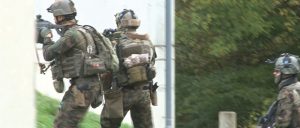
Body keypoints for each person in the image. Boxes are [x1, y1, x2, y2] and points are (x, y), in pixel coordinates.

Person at [38, 0, 104, 127]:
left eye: (55, 16)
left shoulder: (71, 35)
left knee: (62, 124)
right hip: (88, 85)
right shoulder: (83, 31)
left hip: (83, 88)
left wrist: (47, 37)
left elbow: (48, 55)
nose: (54, 19)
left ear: (61, 16)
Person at [100, 9, 157, 128]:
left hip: (123, 93)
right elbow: (151, 64)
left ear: (121, 23)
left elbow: (108, 70)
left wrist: (104, 91)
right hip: (144, 93)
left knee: (108, 124)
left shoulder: (116, 43)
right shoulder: (147, 42)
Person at [273, 53, 300, 127]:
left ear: (285, 72)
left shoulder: (287, 92)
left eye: (277, 71)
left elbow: (283, 123)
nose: (274, 73)